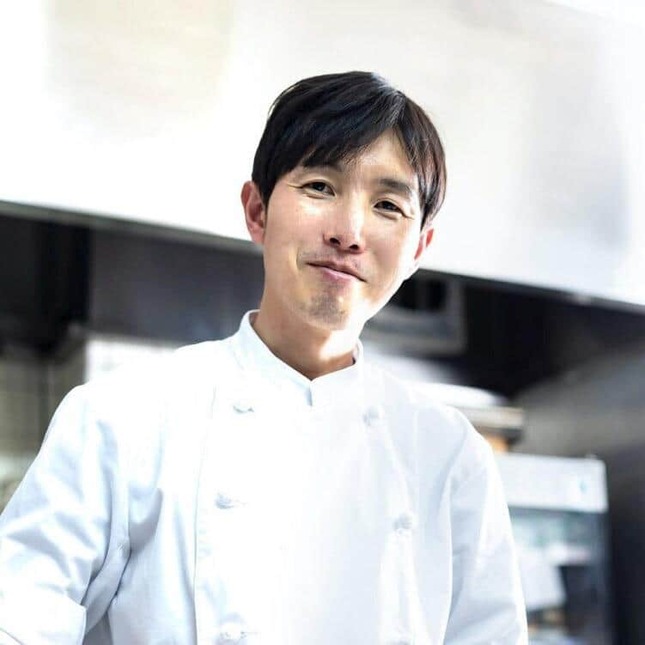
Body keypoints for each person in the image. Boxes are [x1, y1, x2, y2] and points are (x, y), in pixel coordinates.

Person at [0, 71, 527, 644]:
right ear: (257, 211)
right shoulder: (123, 418)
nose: (349, 232)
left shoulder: (450, 458)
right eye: (320, 186)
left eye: (387, 205)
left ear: (419, 247)